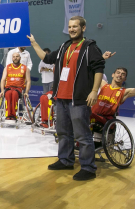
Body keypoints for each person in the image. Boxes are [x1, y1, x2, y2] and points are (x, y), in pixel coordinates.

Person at [27, 16, 105, 181]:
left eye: (75, 26)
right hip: (60, 98)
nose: (72, 29)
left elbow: (99, 68)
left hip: (78, 99)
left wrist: (94, 91)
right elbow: (47, 59)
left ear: (83, 28)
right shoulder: (64, 47)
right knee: (63, 132)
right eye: (70, 27)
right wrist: (34, 43)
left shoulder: (89, 46)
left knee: (82, 135)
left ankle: (88, 168)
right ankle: (66, 160)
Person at [90, 51, 135, 127]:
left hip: (106, 121)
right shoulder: (104, 85)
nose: (120, 75)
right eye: (118, 72)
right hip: (93, 116)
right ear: (113, 75)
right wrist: (102, 58)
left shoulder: (124, 92)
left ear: (125, 79)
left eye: (123, 74)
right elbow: (91, 71)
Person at [0, 52, 31, 122]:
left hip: (19, 89)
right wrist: (2, 91)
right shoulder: (7, 67)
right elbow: (3, 80)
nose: (15, 58)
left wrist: (26, 92)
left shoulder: (25, 68)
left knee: (14, 94)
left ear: (20, 58)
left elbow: (28, 81)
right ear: (12, 58)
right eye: (14, 56)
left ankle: (13, 115)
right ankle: (8, 115)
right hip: (8, 87)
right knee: (8, 93)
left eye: (17, 56)